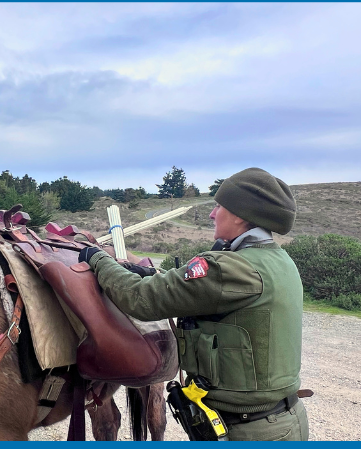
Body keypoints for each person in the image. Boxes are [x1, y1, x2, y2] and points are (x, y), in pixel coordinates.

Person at [77, 168, 307, 441]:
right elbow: (204, 290)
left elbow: (141, 299)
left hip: (248, 431)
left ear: (240, 215)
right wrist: (154, 275)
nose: (212, 214)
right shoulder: (279, 260)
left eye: (219, 206)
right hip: (285, 419)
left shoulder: (228, 268)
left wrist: (97, 258)